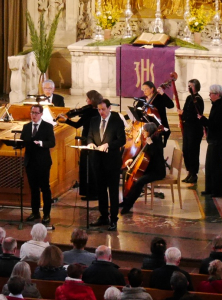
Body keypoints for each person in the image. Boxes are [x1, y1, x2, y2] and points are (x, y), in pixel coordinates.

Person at [84, 99, 126, 229]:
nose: (101, 112)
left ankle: (113, 219)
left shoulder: (116, 121)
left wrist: (108, 145)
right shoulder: (94, 120)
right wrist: (90, 143)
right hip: (97, 161)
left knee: (113, 191)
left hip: (112, 162)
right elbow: (89, 135)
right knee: (101, 190)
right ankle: (103, 216)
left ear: (109, 108)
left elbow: (122, 140)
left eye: (103, 109)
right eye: (99, 109)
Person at [58, 90, 104, 198]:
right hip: (97, 139)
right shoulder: (98, 110)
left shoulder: (89, 112)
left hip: (87, 140)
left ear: (92, 100)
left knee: (87, 166)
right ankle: (95, 192)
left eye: (88, 98)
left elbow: (78, 124)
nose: (86, 101)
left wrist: (66, 120)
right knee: (93, 166)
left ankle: (91, 193)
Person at [119, 122, 167, 214]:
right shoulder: (150, 139)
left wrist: (150, 143)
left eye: (144, 131)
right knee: (126, 172)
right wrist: (132, 160)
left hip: (156, 172)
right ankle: (125, 201)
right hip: (149, 169)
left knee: (139, 181)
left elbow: (152, 155)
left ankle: (128, 206)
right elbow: (142, 152)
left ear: (149, 131)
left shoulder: (157, 141)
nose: (143, 133)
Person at [22, 104, 56, 223]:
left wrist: (41, 143)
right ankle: (35, 212)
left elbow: (52, 143)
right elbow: (23, 140)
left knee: (45, 188)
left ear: (41, 114)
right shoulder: (26, 127)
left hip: (43, 162)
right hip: (30, 162)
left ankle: (46, 214)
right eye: (32, 113)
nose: (34, 115)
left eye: (36, 113)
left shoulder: (47, 127)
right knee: (33, 189)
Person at [200, 84, 222, 196]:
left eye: (211, 93)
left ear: (217, 94)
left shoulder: (221, 108)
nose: (209, 95)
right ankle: (210, 189)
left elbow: (215, 125)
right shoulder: (216, 105)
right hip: (214, 140)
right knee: (209, 166)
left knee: (216, 166)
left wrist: (203, 120)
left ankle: (217, 191)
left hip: (218, 141)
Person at [179, 79, 205, 183]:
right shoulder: (189, 97)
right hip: (188, 128)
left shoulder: (198, 99)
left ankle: (194, 174)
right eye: (188, 85)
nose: (188, 87)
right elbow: (186, 111)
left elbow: (196, 115)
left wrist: (183, 113)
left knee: (193, 151)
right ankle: (189, 171)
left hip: (195, 129)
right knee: (186, 150)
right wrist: (182, 119)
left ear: (195, 87)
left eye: (190, 86)